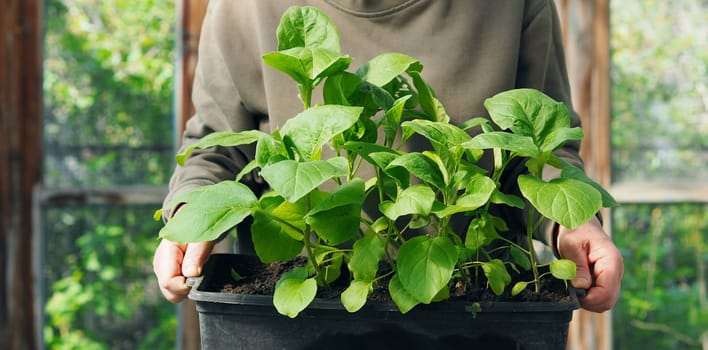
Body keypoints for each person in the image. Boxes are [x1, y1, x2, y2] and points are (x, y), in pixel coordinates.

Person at [153, 0, 623, 313]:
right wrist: (192, 215)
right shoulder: (243, 6)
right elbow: (215, 147)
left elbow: (542, 144)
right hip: (297, 313)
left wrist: (572, 221)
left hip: (474, 308)